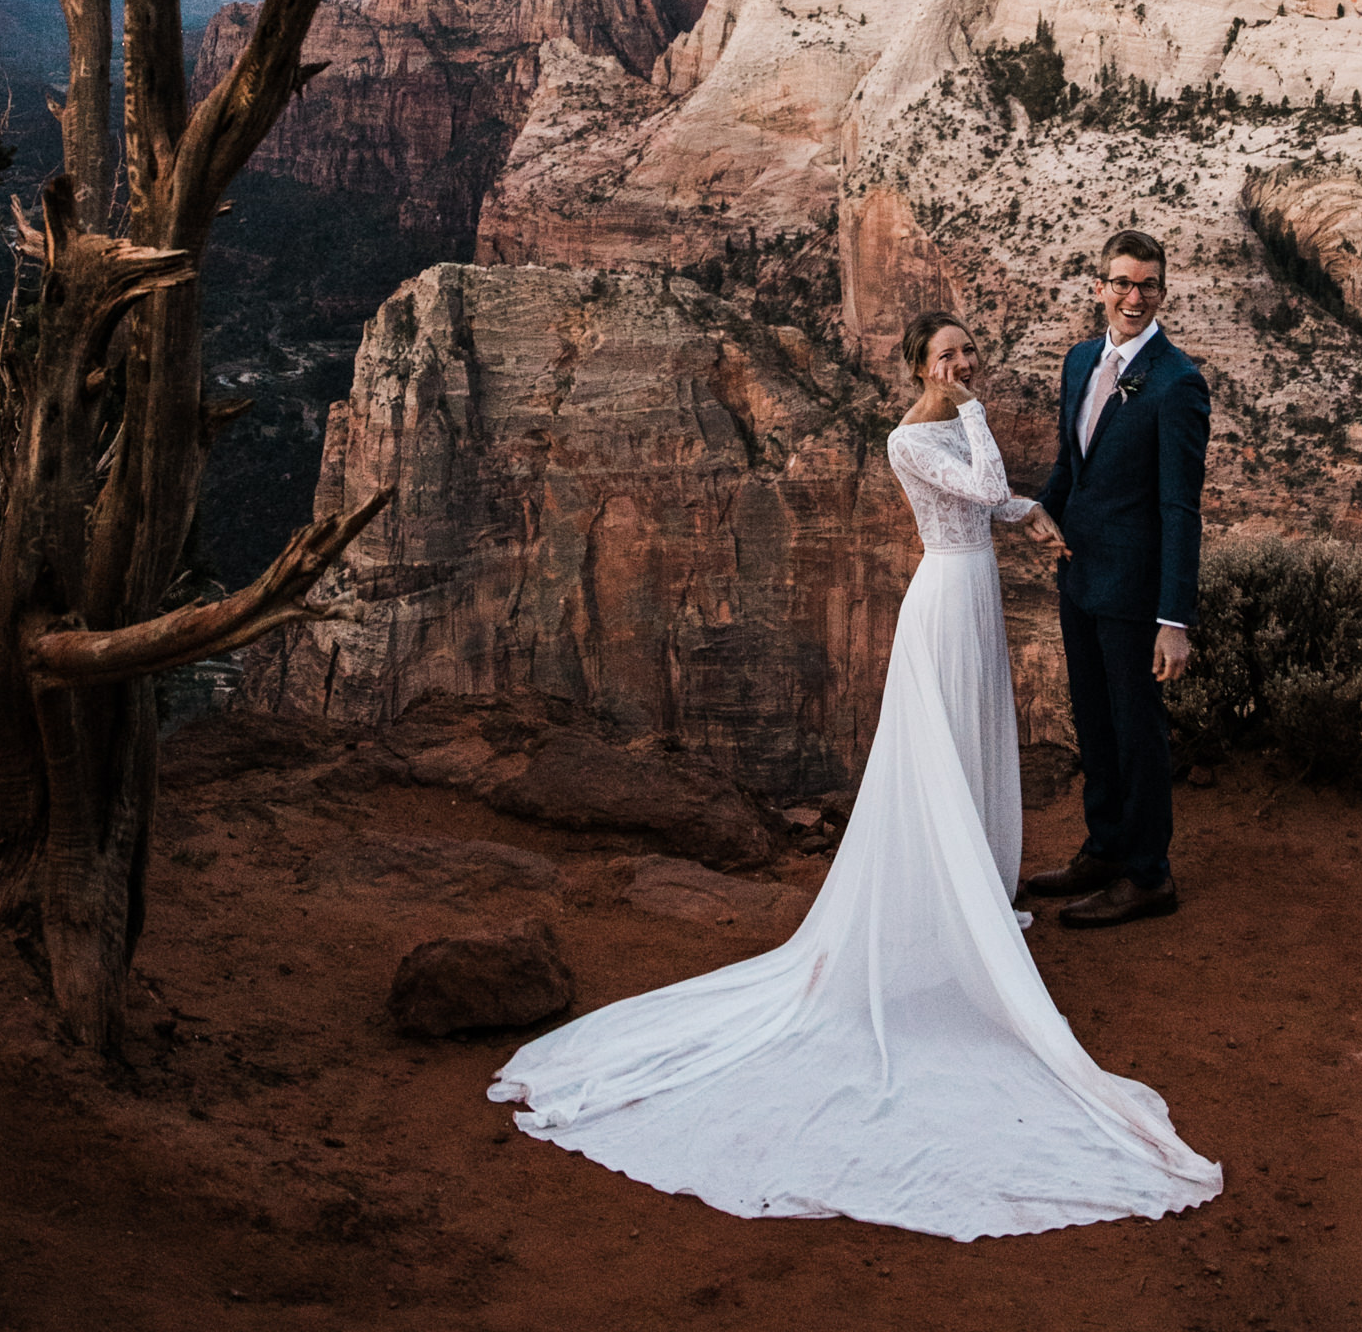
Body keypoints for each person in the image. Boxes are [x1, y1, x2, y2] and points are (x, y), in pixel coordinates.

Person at [488, 308, 1222, 1240]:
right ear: (917, 365)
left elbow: (993, 503)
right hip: (946, 598)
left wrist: (1033, 515)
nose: (961, 363)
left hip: (977, 594)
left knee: (971, 741)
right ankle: (945, 905)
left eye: (967, 351)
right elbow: (978, 479)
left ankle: (979, 892)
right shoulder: (910, 433)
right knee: (937, 752)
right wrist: (982, 419)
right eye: (944, 354)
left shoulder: (947, 423)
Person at [1022, 229, 1210, 929]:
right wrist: (1041, 507)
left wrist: (1173, 617)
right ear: (1097, 286)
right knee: (1093, 724)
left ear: (1162, 292)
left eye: (1148, 286)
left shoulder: (1177, 383)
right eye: (1122, 283)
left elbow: (1178, 508)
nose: (1134, 298)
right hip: (1078, 577)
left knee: (1137, 733)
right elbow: (1072, 464)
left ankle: (1147, 875)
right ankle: (1102, 849)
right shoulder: (1078, 362)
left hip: (1134, 593)